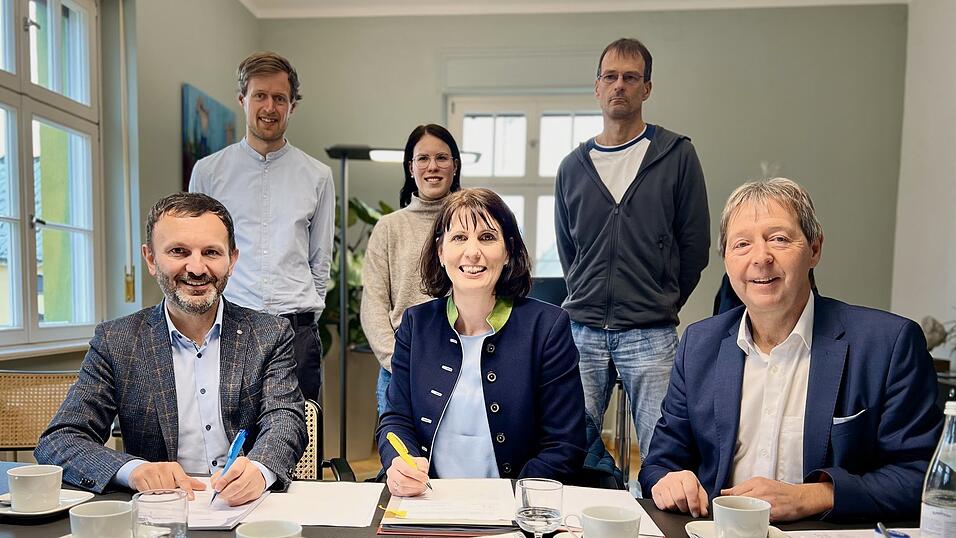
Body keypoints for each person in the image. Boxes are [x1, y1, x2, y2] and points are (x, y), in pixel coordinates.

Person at [639, 178, 942, 522]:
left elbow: (923, 477)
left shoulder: (888, 344)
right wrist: (668, 480)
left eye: (779, 239)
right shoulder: (699, 344)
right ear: (726, 259)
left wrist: (813, 496)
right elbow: (660, 461)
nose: (760, 258)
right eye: (742, 244)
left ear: (814, 249)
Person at [35, 193, 307, 506]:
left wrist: (260, 471)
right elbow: (60, 439)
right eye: (179, 251)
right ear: (151, 258)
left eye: (211, 252)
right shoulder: (117, 341)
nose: (196, 267)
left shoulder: (269, 334)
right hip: (160, 513)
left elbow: (285, 419)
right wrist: (134, 471)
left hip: (249, 508)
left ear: (232, 260)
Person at [554, 37, 710, 485]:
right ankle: (596, 506)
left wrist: (660, 298)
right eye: (610, 76)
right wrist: (587, 291)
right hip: (580, 329)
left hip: (651, 331)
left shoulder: (677, 155)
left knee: (665, 449)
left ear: (647, 88)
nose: (618, 85)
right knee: (567, 441)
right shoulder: (571, 167)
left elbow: (694, 247)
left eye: (630, 77)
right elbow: (569, 249)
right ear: (597, 86)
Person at [376, 188, 587, 497]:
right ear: (440, 251)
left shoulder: (546, 327)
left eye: (487, 237)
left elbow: (564, 443)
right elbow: (395, 419)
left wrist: (514, 498)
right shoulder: (415, 325)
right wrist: (399, 465)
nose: (472, 252)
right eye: (459, 238)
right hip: (428, 502)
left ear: (508, 251)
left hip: (515, 507)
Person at [189, 51, 333, 401]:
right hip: (229, 329)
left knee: (303, 439)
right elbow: (195, 254)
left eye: (280, 98)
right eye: (260, 96)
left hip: (294, 331)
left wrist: (302, 308)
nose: (270, 107)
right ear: (242, 99)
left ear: (292, 106)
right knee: (230, 440)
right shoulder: (208, 172)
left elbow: (320, 259)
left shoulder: (318, 176)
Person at [361, 124, 462, 416]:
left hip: (463, 366)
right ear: (410, 167)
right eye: (423, 159)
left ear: (454, 165)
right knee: (400, 459)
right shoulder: (389, 228)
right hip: (400, 371)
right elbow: (374, 305)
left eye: (442, 158)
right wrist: (400, 361)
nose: (433, 167)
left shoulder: (472, 221)